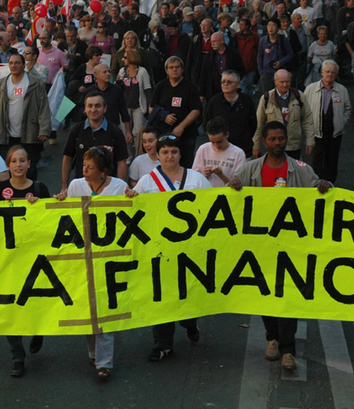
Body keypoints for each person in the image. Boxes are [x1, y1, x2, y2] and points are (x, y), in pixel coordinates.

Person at [229, 120, 332, 372]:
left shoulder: (301, 169)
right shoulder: (250, 170)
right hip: (261, 247)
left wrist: (324, 187)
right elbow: (231, 199)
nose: (278, 143)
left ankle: (288, 350)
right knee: (266, 295)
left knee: (287, 297)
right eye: (273, 139)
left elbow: (320, 193)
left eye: (281, 139)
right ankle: (272, 338)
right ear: (264, 142)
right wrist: (232, 188)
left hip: (291, 247)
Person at [126, 134, 212, 361]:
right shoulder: (147, 181)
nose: (169, 156)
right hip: (159, 249)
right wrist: (132, 198)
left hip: (189, 248)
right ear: (158, 155)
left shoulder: (197, 179)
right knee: (160, 296)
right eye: (165, 152)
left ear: (181, 154)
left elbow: (212, 208)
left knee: (188, 295)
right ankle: (162, 344)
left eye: (174, 151)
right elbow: (136, 214)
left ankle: (190, 324)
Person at [54, 146, 130, 380]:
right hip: (83, 257)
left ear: (103, 171)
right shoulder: (76, 186)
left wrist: (133, 197)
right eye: (84, 166)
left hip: (109, 258)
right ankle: (94, 353)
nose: (84, 170)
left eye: (90, 167)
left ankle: (104, 362)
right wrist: (60, 200)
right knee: (88, 309)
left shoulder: (118, 187)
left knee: (103, 309)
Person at [0, 145, 50, 377]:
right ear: (8, 164)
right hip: (7, 258)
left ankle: (37, 330)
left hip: (34, 257)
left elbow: (50, 223)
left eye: (23, 161)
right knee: (10, 307)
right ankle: (17, 356)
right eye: (14, 161)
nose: (19, 165)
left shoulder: (40, 189)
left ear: (29, 164)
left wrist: (40, 208)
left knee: (33, 302)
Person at [0, 51, 51, 179]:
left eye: (17, 63)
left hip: (30, 133)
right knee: (10, 170)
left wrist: (44, 129)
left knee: (30, 169)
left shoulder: (35, 82)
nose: (13, 65)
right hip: (7, 135)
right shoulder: (1, 84)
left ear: (24, 65)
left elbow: (43, 107)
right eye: (11, 63)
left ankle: (31, 195)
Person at [61, 91, 130, 192]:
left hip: (108, 189)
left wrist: (120, 189)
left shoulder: (115, 132)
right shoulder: (76, 130)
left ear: (105, 108)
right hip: (82, 189)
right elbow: (67, 158)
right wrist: (64, 187)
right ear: (85, 109)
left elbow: (121, 162)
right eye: (90, 106)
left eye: (97, 106)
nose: (93, 109)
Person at [148, 56, 202, 168]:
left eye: (177, 67)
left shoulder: (190, 87)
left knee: (186, 164)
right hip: (164, 132)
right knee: (166, 163)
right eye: (171, 67)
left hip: (187, 134)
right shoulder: (160, 86)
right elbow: (151, 108)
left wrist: (181, 126)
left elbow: (196, 110)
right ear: (167, 70)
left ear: (182, 69)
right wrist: (164, 116)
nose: (174, 70)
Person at [302, 60, 351, 182]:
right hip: (316, 133)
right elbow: (303, 109)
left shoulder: (342, 90)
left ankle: (330, 186)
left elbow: (348, 109)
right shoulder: (310, 89)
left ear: (337, 74)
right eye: (327, 71)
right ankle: (315, 186)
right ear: (322, 72)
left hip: (335, 134)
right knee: (316, 162)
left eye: (333, 72)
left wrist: (341, 123)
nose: (330, 74)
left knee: (332, 162)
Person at [253, 69, 313, 161]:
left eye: (287, 82)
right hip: (273, 146)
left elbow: (307, 120)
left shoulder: (299, 96)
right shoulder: (266, 98)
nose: (285, 85)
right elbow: (258, 124)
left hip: (293, 146)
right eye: (282, 82)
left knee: (293, 173)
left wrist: (310, 141)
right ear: (275, 82)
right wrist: (256, 145)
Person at [203, 70, 256, 158]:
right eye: (223, 82)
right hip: (219, 151)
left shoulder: (247, 101)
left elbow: (253, 124)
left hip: (243, 150)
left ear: (237, 84)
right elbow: (206, 124)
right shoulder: (214, 101)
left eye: (229, 82)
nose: (225, 84)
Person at [192, 117, 246, 187]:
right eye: (212, 142)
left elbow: (239, 185)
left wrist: (221, 175)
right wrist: (204, 176)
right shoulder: (203, 149)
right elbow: (194, 180)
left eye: (219, 142)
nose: (216, 145)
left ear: (227, 134)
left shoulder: (238, 153)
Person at [85, 63, 133, 143]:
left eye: (109, 72)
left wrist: (128, 131)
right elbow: (82, 109)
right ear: (96, 75)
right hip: (93, 131)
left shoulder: (116, 90)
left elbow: (123, 111)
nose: (108, 74)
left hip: (113, 129)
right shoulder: (89, 91)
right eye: (104, 72)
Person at [116, 49, 153, 151]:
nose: (123, 59)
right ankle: (128, 154)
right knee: (125, 132)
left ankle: (138, 154)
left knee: (137, 132)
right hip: (125, 106)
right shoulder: (123, 71)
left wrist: (150, 105)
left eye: (125, 57)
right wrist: (118, 82)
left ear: (132, 58)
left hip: (138, 106)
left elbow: (147, 88)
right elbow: (117, 89)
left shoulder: (142, 71)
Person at [199, 30, 244, 101]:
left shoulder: (233, 54)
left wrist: (233, 82)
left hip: (230, 90)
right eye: (211, 41)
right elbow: (203, 75)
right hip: (212, 91)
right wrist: (201, 93)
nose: (212, 44)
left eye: (214, 41)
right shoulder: (209, 56)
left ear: (222, 41)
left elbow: (241, 70)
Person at [257, 20, 293, 95]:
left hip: (280, 74)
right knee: (267, 96)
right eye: (269, 25)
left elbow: (290, 54)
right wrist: (261, 72)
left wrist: (281, 62)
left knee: (281, 95)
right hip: (266, 74)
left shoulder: (283, 40)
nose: (271, 28)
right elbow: (260, 56)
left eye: (273, 25)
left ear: (278, 28)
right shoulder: (263, 40)